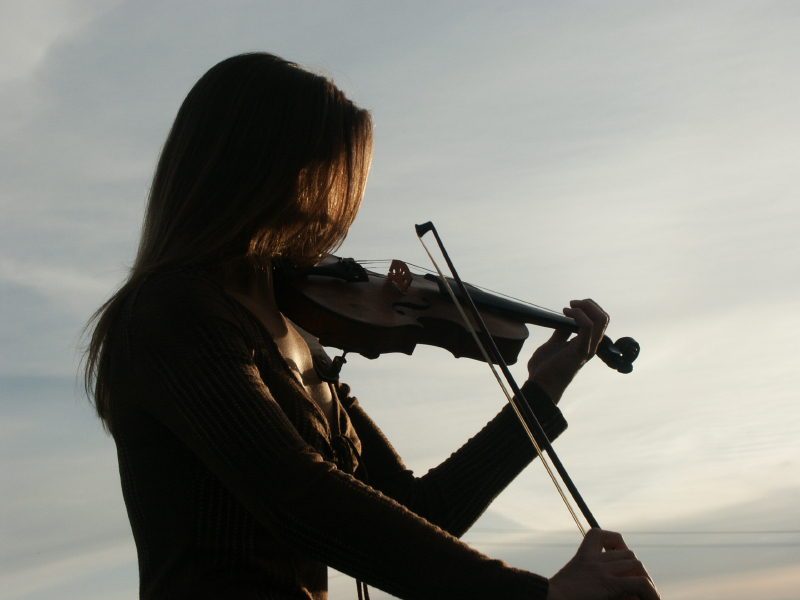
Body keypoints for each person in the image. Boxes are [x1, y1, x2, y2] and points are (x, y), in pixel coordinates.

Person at [83, 53, 659, 600]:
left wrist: (540, 393)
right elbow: (298, 496)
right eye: (323, 169)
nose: (334, 199)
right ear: (259, 165)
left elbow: (421, 511)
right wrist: (540, 594)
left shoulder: (299, 333)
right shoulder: (171, 309)